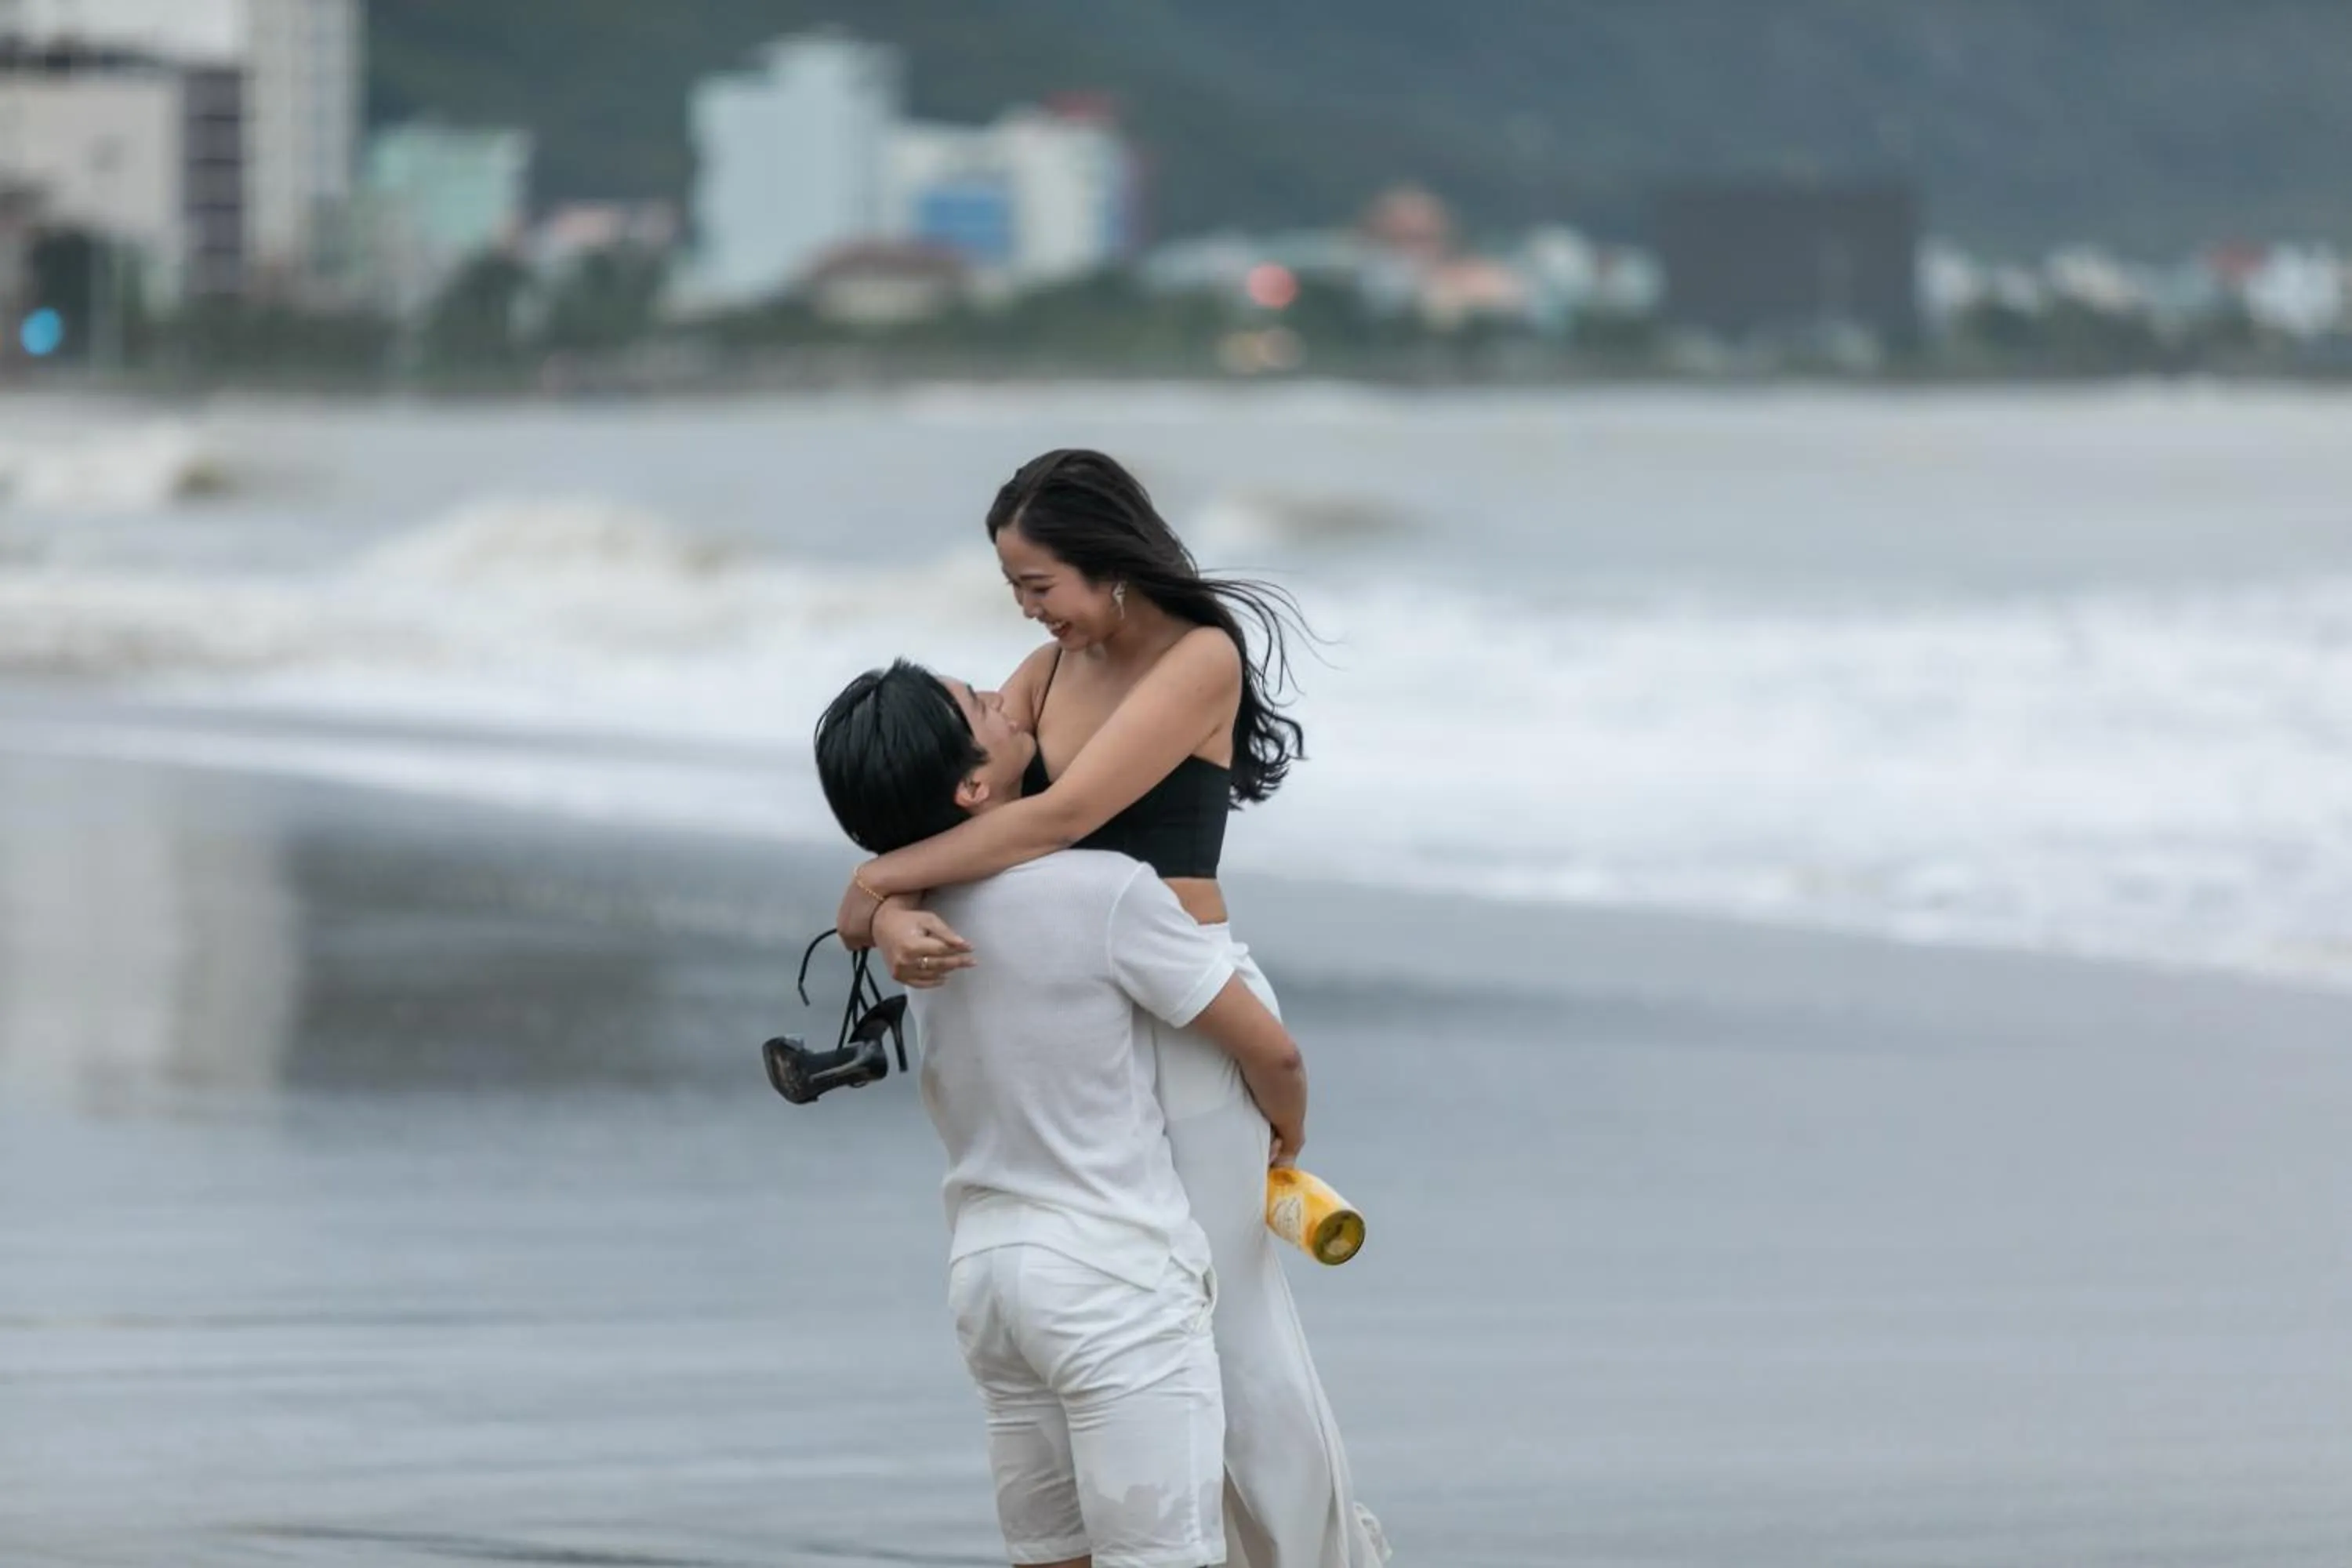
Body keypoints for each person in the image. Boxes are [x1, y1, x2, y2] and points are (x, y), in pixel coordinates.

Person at [833, 452, 1388, 1567]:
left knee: (1230, 1313)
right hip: (1086, 1006)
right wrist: (886, 910)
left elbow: (1058, 818)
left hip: (1191, 1008)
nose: (1029, 614)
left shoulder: (1198, 659)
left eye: (1040, 585)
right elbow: (964, 797)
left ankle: (1305, 1553)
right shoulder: (1042, 675)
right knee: (1143, 1305)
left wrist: (874, 884)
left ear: (1109, 559)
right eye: (1015, 592)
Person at [814, 659, 1310, 1568]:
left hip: (989, 1280)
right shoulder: (1105, 891)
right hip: (1110, 1277)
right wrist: (1289, 1124)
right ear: (972, 783)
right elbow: (1270, 1047)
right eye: (981, 705)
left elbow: (866, 902)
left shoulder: (914, 925)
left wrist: (880, 912)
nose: (1006, 696)